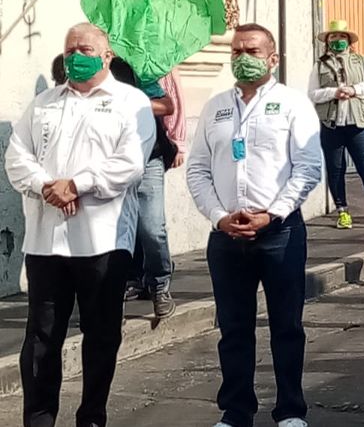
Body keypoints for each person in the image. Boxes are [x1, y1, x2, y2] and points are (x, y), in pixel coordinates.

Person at [7, 24, 155, 427]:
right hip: (46, 241)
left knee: (101, 335)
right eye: (70, 48)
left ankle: (92, 415)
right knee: (41, 339)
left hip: (102, 240)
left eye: (85, 48)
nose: (75, 55)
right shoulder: (43, 104)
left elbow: (129, 164)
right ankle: (39, 419)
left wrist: (77, 184)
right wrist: (46, 187)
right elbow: (17, 159)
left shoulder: (131, 102)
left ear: (106, 56)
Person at [187, 23, 323, 427]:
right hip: (226, 236)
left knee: (286, 326)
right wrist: (218, 216)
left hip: (279, 233)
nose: (243, 58)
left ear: (272, 58)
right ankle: (236, 410)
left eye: (251, 50)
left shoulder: (293, 104)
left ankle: (290, 411)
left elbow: (308, 167)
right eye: (236, 51)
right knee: (233, 329)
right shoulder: (216, 108)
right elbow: (197, 168)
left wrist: (273, 213)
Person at [308, 20, 364, 231]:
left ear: (349, 41)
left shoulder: (362, 61)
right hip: (331, 124)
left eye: (342, 37)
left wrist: (353, 90)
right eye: (333, 37)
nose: (338, 41)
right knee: (336, 169)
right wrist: (333, 92)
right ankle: (342, 211)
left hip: (358, 123)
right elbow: (312, 93)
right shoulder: (320, 65)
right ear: (327, 41)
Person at [111, 61, 179, 319]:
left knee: (152, 228)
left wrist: (134, 104)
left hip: (148, 158)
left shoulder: (139, 71)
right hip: (111, 162)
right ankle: (123, 283)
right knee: (115, 230)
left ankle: (159, 284)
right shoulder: (90, 80)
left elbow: (167, 105)